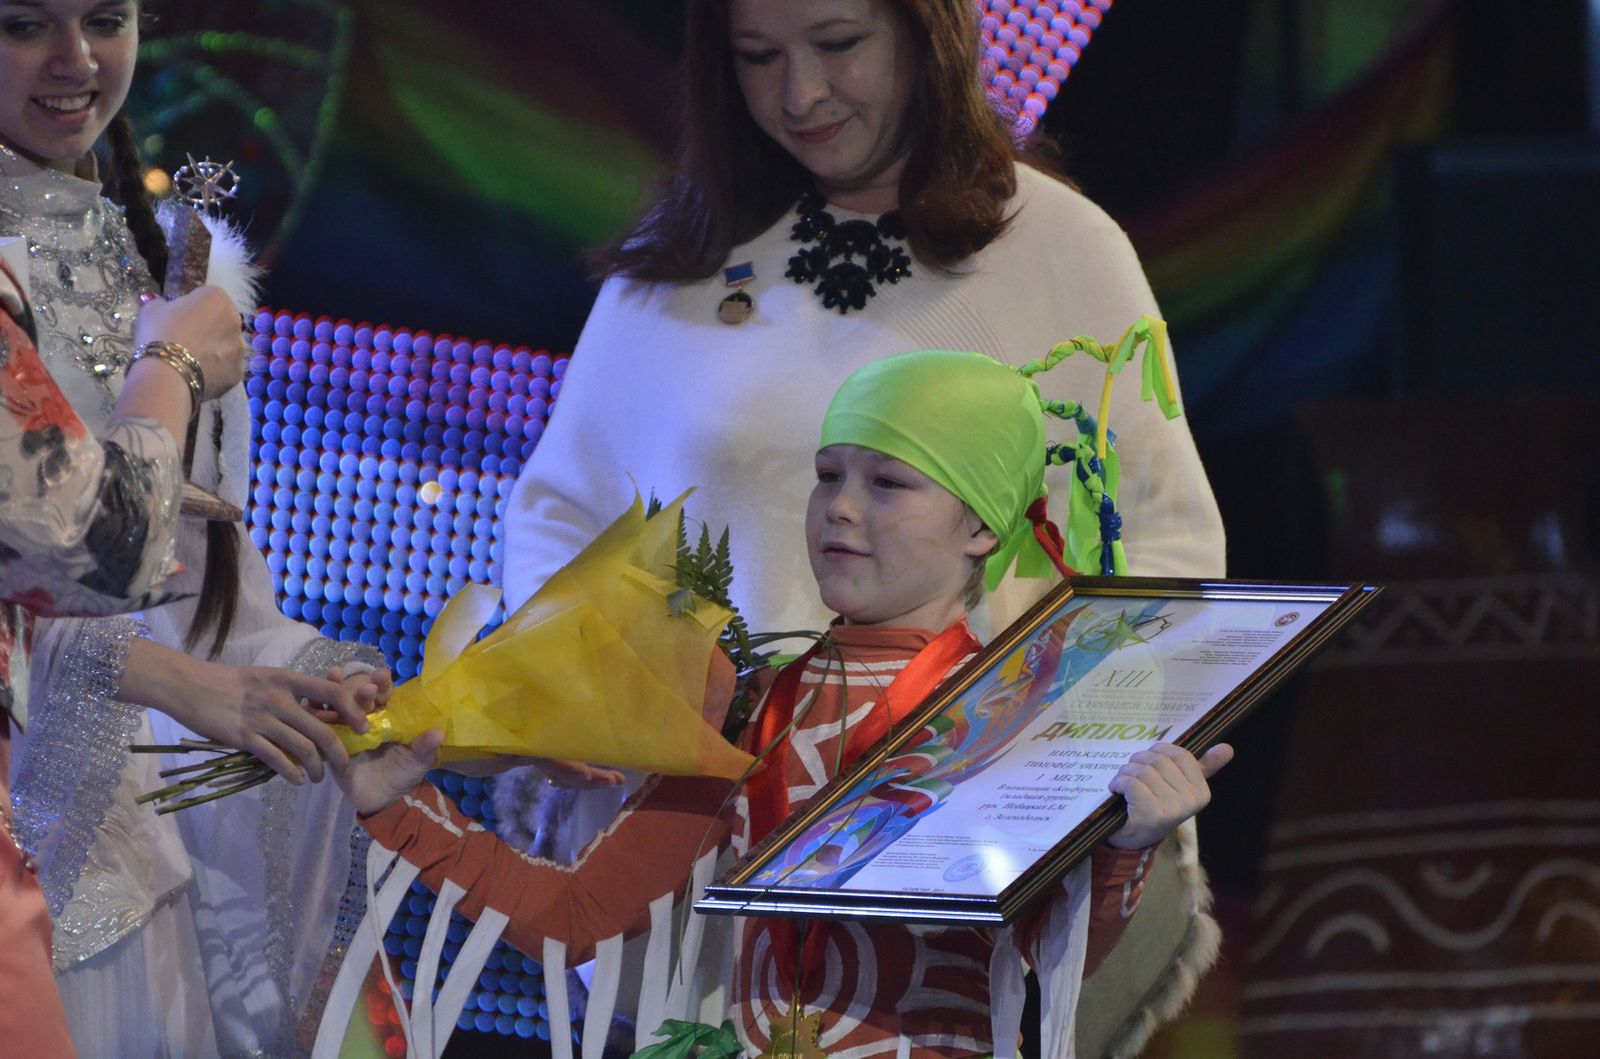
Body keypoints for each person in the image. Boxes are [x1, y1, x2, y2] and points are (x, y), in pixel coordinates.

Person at [496, 1, 1227, 1051]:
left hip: (958, 861)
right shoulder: (682, 258)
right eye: (759, 56)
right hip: (700, 860)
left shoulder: (1058, 248)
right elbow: (562, 514)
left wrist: (1051, 771)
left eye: (837, 44)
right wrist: (596, 682)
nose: (799, 94)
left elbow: (1162, 556)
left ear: (927, 34)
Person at [335, 345, 1234, 1057]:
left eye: (888, 482)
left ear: (981, 526)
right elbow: (580, 917)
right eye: (827, 474)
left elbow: (1054, 955)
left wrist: (1128, 846)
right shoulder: (753, 712)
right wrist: (398, 805)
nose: (839, 506)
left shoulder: (1016, 715)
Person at [0, 3, 389, 1054]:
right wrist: (171, 680)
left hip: (138, 881)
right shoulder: (172, 329)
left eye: (105, 17)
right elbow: (72, 561)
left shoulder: (170, 267)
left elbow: (208, 600)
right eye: (26, 23)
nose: (76, 59)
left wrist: (324, 694)